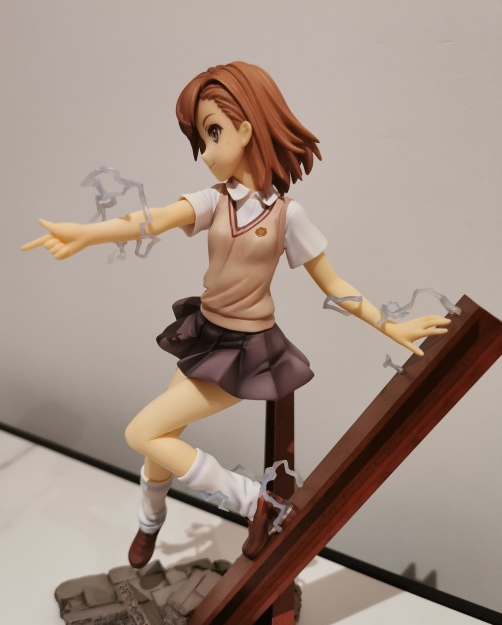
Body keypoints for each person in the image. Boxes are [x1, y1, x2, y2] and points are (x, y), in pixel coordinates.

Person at [22, 61, 450, 568]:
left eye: (213, 133)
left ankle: (253, 502)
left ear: (246, 128)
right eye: (200, 140)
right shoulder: (214, 201)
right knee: (161, 442)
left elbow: (333, 284)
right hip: (204, 335)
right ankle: (149, 523)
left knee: (143, 432)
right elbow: (152, 220)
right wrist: (87, 233)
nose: (205, 153)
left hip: (247, 350)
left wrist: (389, 324)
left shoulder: (288, 215)